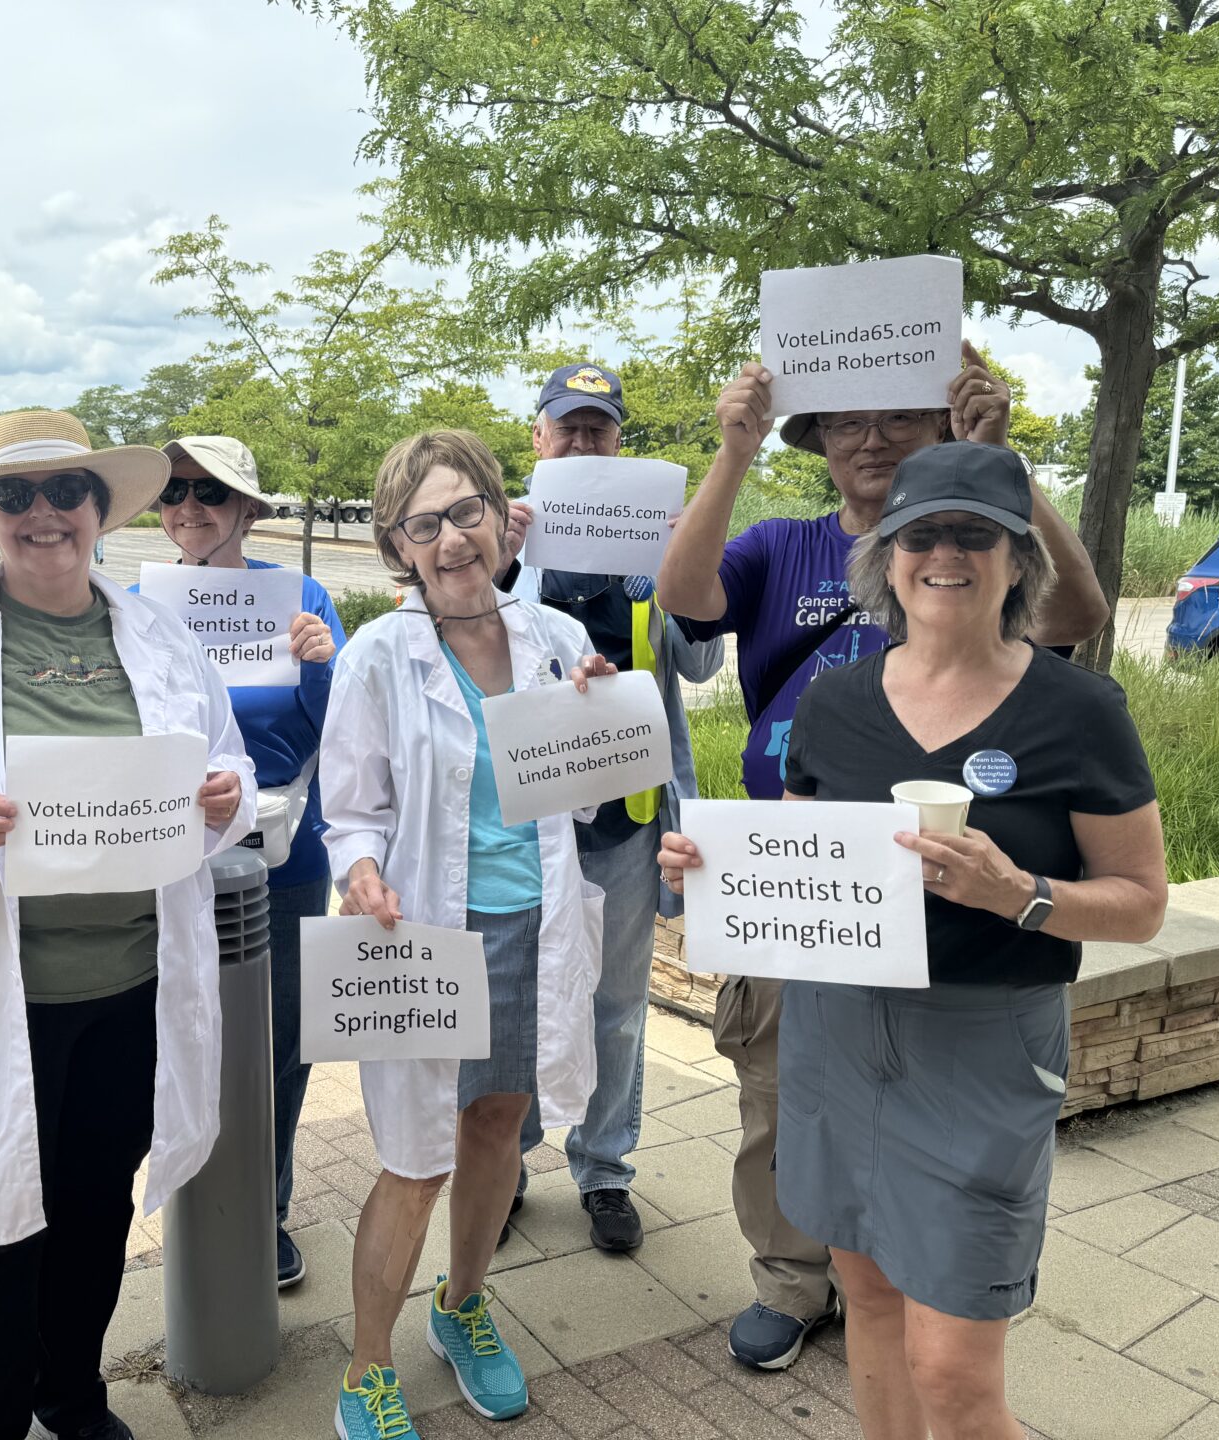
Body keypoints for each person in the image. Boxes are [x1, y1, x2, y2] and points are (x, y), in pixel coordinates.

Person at [660, 440, 1166, 1438]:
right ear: (886, 556)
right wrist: (717, 871)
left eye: (974, 534)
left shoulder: (1079, 710)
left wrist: (1019, 892)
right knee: (875, 1312)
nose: (947, 554)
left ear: (1018, 558)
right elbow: (804, 859)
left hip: (982, 1049)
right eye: (921, 533)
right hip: (837, 1037)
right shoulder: (837, 703)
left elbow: (1141, 900)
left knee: (957, 1375)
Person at [0, 409, 254, 1440]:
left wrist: (224, 800)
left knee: (93, 1214)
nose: (44, 515)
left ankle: (71, 1394)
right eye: (15, 497)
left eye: (66, 493)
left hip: (131, 988)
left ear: (99, 510)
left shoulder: (158, 636)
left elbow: (228, 761)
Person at [323, 430, 609, 1438]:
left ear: (500, 515)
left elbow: (599, 792)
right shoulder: (377, 657)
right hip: (425, 938)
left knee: (496, 1126)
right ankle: (366, 1370)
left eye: (465, 512)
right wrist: (358, 867)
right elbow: (348, 809)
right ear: (397, 545)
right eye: (424, 523)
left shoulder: (561, 641)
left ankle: (461, 1307)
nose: (450, 538)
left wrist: (605, 718)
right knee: (413, 1157)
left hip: (536, 925)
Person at [498, 363, 725, 1256]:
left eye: (600, 427)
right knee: (517, 999)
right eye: (569, 425)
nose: (585, 440)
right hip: (527, 819)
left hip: (628, 819)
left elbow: (701, 669)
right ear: (539, 436)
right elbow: (460, 638)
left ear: (618, 437)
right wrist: (504, 556)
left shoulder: (651, 537)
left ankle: (603, 1169)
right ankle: (505, 1159)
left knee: (616, 1005)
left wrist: (690, 564)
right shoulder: (503, 535)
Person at [143, 434, 344, 1290]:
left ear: (251, 510)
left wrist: (323, 668)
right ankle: (190, 1200)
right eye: (174, 492)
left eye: (210, 494)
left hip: (283, 856)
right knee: (178, 1029)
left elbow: (347, 734)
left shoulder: (301, 599)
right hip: (172, 855)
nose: (188, 508)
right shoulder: (136, 605)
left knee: (282, 1039)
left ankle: (265, 1207)